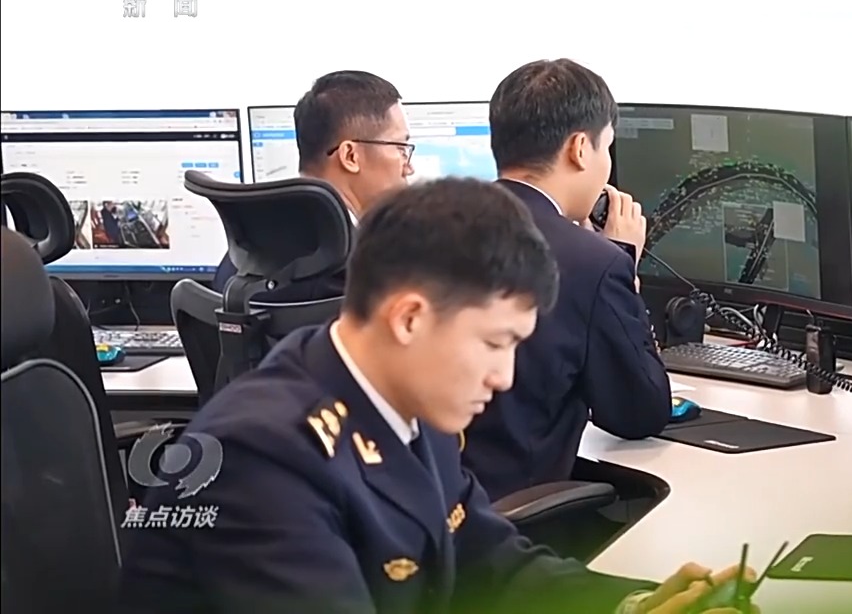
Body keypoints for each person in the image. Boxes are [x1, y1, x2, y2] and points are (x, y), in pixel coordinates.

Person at [115, 178, 754, 614]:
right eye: (495, 343)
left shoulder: (404, 404)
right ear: (411, 319)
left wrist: (631, 604)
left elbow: (486, 558)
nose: (503, 376)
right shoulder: (263, 465)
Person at [467, 58, 671, 502]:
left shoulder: (430, 227)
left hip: (426, 505)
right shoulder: (591, 261)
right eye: (606, 148)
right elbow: (639, 413)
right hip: (508, 519)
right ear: (580, 149)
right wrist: (620, 259)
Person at [211, 70, 413, 299]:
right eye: (400, 148)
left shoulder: (244, 253)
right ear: (350, 156)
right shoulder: (365, 277)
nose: (409, 168)